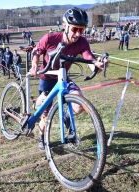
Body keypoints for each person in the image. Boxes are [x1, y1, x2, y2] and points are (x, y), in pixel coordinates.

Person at [29, 7, 109, 150]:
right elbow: (36, 52)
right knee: (46, 118)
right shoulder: (50, 38)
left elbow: (88, 57)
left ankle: (66, 116)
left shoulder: (82, 42)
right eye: (75, 29)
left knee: (79, 104)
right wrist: (34, 66)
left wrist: (97, 65)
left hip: (63, 77)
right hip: (47, 78)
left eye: (82, 30)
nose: (78, 33)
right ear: (65, 26)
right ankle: (41, 137)